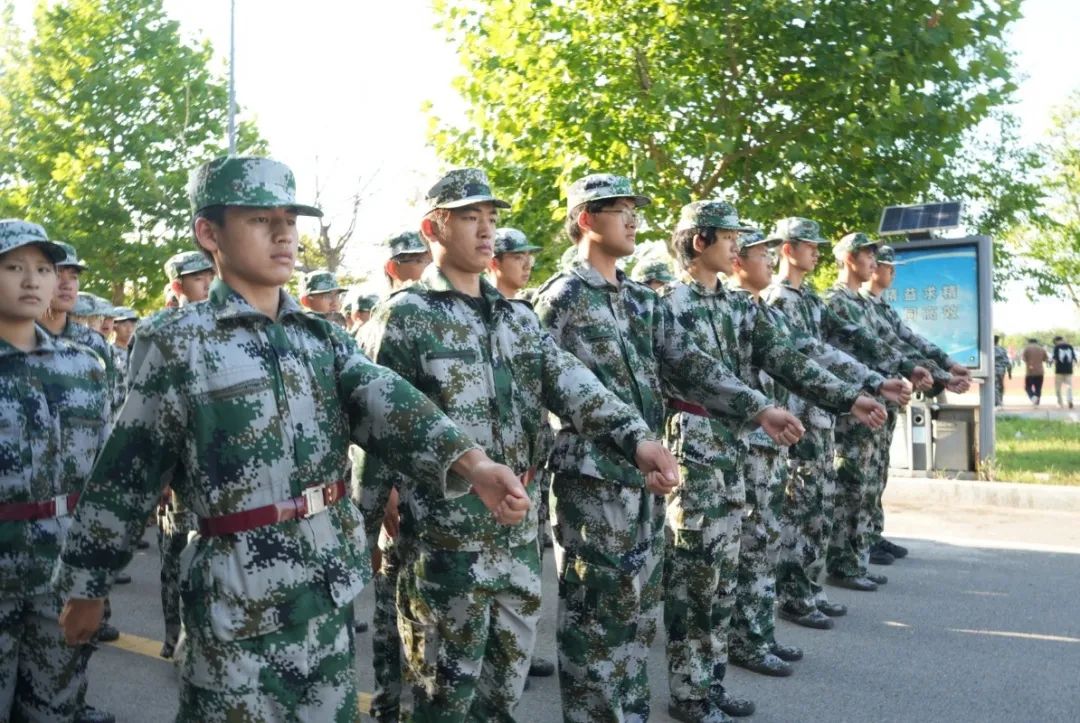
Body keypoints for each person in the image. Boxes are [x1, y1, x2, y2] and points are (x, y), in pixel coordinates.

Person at [54, 156, 531, 722]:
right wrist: (87, 585)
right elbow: (127, 471)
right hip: (236, 603)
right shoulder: (178, 342)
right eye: (260, 220)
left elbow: (387, 400)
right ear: (209, 233)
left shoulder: (320, 340)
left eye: (289, 220)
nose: (284, 234)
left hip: (324, 593)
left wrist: (474, 464)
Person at [358, 168, 678, 721]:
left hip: (517, 539)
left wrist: (637, 440)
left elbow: (574, 384)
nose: (486, 230)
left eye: (490, 218)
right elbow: (373, 426)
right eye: (470, 218)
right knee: (441, 702)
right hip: (444, 539)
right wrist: (364, 531)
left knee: (502, 699)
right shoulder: (406, 315)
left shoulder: (517, 318)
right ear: (433, 228)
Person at [534, 179, 805, 723]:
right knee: (597, 613)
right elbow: (529, 383)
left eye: (634, 210)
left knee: (640, 612)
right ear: (586, 219)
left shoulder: (640, 300)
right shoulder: (561, 297)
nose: (633, 220)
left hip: (646, 474)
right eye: (620, 210)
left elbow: (690, 365)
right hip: (592, 477)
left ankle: (632, 712)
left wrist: (758, 408)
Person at [764, 218, 932, 629]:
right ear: (788, 249)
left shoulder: (808, 299)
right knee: (801, 508)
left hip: (819, 415)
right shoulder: (777, 300)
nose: (816, 251)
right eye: (808, 244)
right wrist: (868, 384)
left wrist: (899, 370)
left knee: (820, 507)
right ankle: (793, 594)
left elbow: (852, 339)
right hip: (795, 418)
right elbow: (802, 356)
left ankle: (810, 588)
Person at [0, 220, 111, 722]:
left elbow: (102, 483)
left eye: (43, 269)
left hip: (60, 570)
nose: (32, 280)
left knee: (55, 709)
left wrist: (94, 578)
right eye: (13, 267)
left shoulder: (83, 367)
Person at [825, 232, 968, 591]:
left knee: (870, 480)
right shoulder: (837, 302)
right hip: (854, 406)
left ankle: (860, 551)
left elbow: (900, 341)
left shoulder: (868, 305)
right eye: (868, 255)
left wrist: (943, 368)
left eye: (877, 257)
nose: (875, 263)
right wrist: (934, 374)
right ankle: (845, 560)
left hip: (878, 400)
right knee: (853, 484)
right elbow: (872, 345)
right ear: (849, 258)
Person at [150, 251, 217, 659]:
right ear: (178, 285)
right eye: (197, 278)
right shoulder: (161, 333)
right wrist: (157, 477)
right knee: (175, 556)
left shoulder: (223, 327)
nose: (207, 282)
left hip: (215, 471)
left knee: (209, 557)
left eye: (209, 274)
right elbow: (149, 414)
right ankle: (172, 636)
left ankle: (202, 641)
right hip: (176, 475)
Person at [488, 227, 540, 299]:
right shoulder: (478, 304)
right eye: (519, 258)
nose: (527, 266)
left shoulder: (532, 302)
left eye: (529, 257)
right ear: (493, 263)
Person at [1021, 338, 1050, 405]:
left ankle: (1032, 397)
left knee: (1028, 387)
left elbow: (1024, 359)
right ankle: (1037, 401)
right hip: (1040, 371)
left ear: (1029, 342)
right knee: (1038, 388)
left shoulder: (1027, 349)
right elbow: (1046, 359)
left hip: (1030, 371)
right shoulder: (1042, 349)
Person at [1051, 335, 1076, 409]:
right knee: (1069, 387)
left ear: (1056, 341)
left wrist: (1054, 364)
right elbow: (1073, 359)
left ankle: (1060, 403)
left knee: (1058, 388)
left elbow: (1055, 359)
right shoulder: (1070, 346)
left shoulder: (1056, 347)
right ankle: (1069, 400)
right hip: (1069, 370)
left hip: (1059, 370)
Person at [994, 335, 1012, 407]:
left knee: (994, 385)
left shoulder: (988, 349)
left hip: (992, 370)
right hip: (1001, 370)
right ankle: (1000, 400)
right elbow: (1007, 361)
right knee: (1000, 385)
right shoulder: (1002, 349)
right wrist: (1009, 373)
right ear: (997, 341)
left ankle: (997, 401)